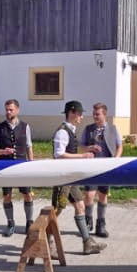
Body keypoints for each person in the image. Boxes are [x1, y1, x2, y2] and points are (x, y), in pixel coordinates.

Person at [51, 101, 106, 255]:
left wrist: (87, 150)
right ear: (72, 113)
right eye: (80, 114)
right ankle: (46, 240)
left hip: (71, 176)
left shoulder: (70, 130)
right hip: (63, 177)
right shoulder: (62, 132)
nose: (82, 117)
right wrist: (83, 156)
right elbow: (59, 154)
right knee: (56, 210)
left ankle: (87, 243)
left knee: (80, 206)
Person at [0, 99, 34, 237]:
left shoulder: (25, 126)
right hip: (5, 166)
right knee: (7, 196)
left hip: (22, 166)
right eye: (7, 109)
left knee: (27, 194)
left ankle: (29, 222)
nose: (8, 112)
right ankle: (10, 223)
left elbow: (29, 146)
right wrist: (3, 151)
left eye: (11, 109)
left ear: (17, 110)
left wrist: (31, 164)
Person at [80, 102, 122, 238]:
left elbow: (119, 146)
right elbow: (81, 146)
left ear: (105, 114)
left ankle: (101, 225)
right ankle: (87, 222)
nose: (95, 116)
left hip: (106, 166)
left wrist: (116, 160)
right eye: (94, 114)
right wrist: (90, 148)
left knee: (103, 195)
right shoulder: (88, 129)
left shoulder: (113, 129)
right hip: (91, 167)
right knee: (89, 195)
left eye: (97, 114)